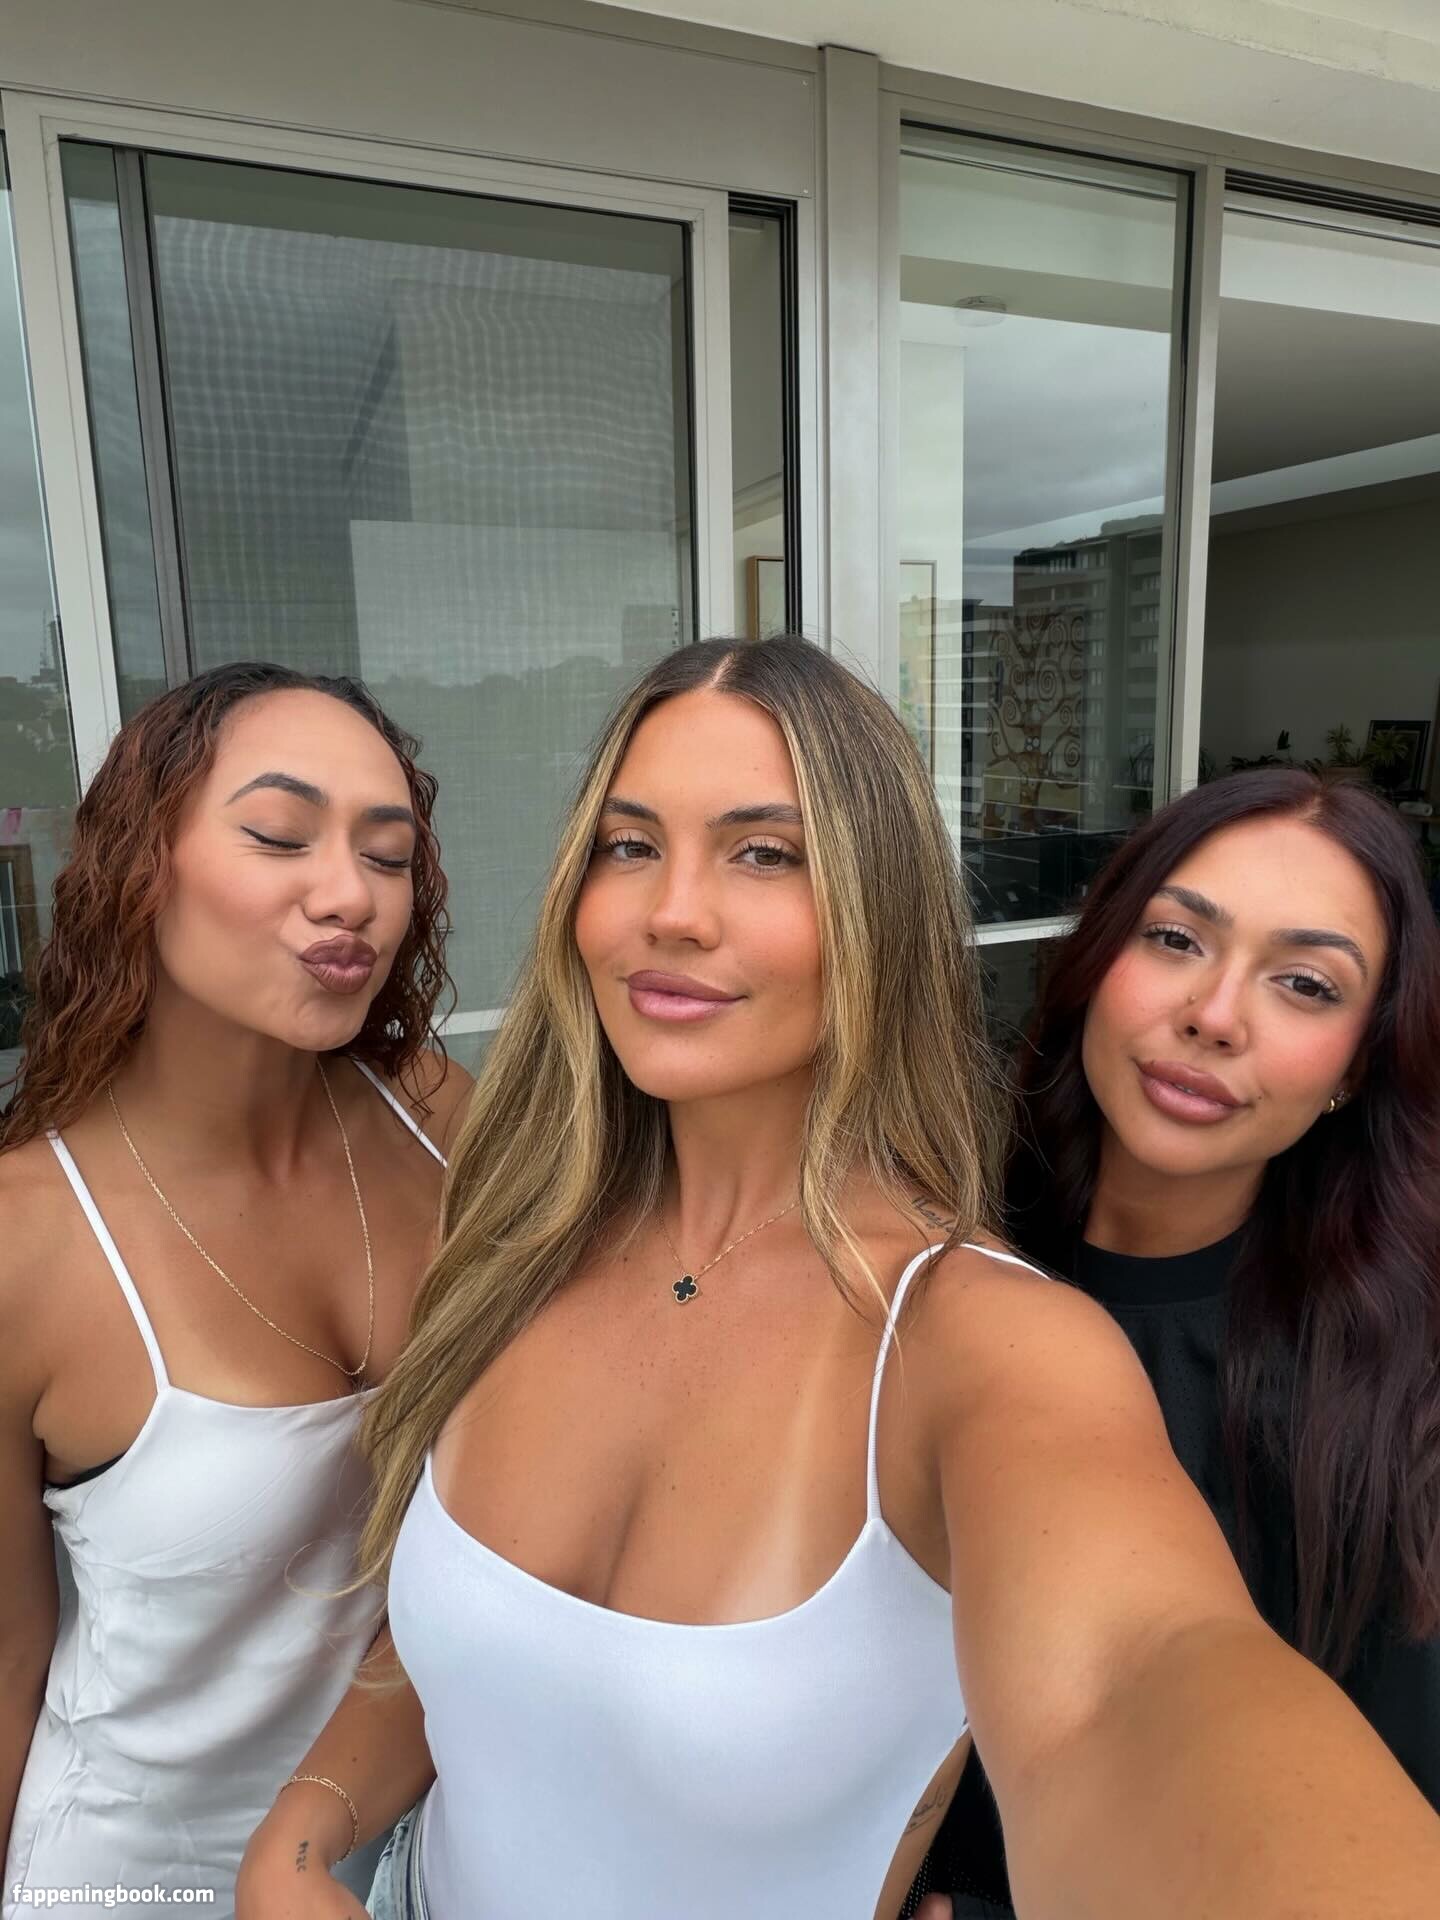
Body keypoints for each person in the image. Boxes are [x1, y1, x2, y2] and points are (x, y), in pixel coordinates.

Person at [237, 639, 1440, 1920]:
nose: (671, 911)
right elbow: (473, 1640)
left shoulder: (984, 1342)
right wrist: (304, 1837)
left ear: (879, 911)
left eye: (765, 853)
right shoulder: (513, 1231)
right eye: (630, 845)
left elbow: (1135, 1681)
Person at [911, 768, 1440, 1919]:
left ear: (1358, 1063)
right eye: (1175, 939)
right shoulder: (921, 1254)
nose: (1214, 1015)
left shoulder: (1397, 1392)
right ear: (1098, 956)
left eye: (1305, 985)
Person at [0, 664, 471, 1920]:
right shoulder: (26, 1240)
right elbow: (5, 1664)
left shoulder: (435, 1120)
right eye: (278, 834)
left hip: (417, 1853)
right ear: (139, 864)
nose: (351, 894)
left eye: (388, 855)